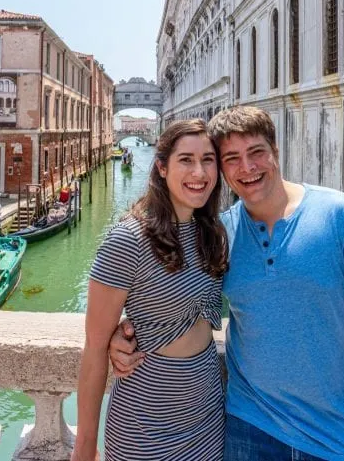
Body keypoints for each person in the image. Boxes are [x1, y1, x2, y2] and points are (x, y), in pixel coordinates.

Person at [111, 106, 344, 461]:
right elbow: (175, 298)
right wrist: (125, 333)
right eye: (231, 158)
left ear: (276, 152)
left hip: (336, 434)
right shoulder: (219, 235)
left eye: (256, 153)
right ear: (221, 169)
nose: (246, 168)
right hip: (247, 428)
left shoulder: (343, 216)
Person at [71, 119, 229, 461]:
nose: (199, 172)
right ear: (161, 167)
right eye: (185, 160)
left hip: (208, 417)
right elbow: (95, 348)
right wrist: (84, 448)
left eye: (208, 160)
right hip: (144, 425)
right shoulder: (127, 240)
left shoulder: (212, 232)